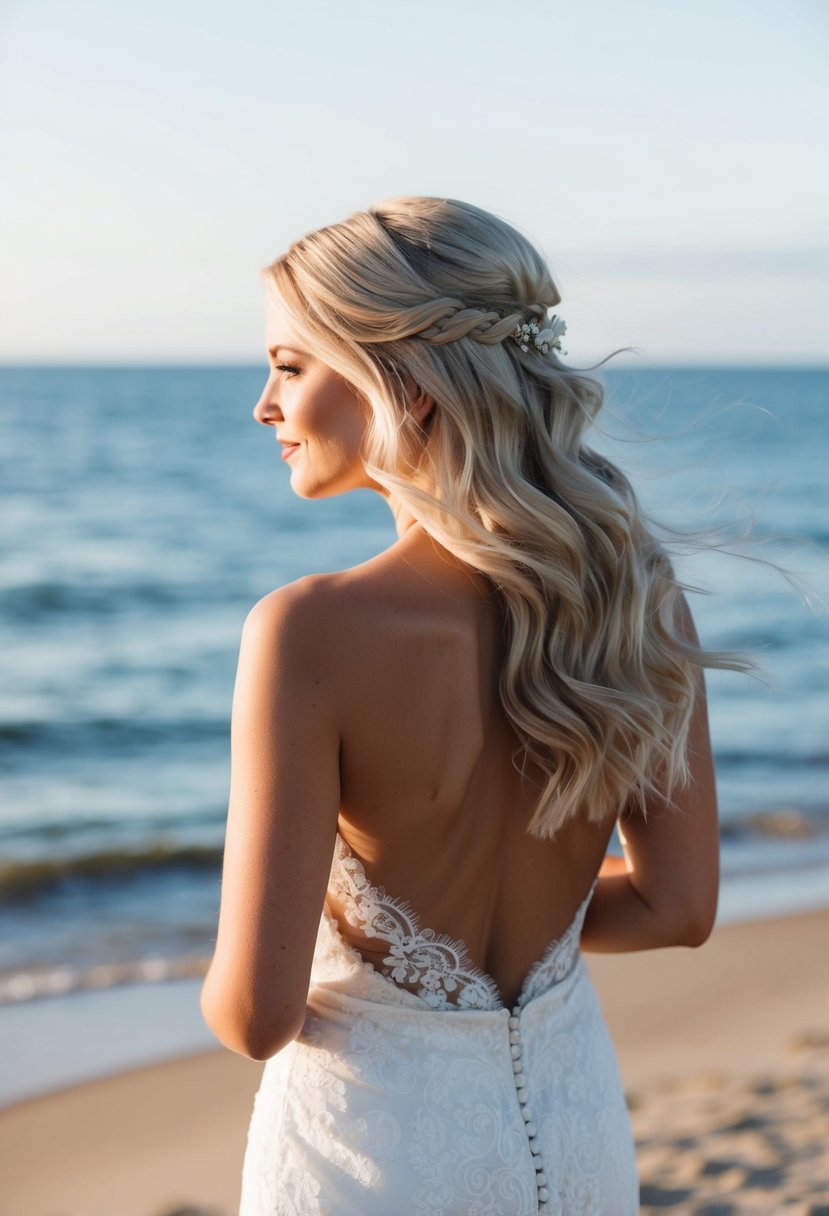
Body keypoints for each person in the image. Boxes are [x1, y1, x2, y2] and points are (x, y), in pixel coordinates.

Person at [200, 197, 729, 1215]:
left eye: (290, 365)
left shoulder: (309, 631)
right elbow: (679, 906)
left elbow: (254, 1016)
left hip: (375, 1151)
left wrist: (287, 938)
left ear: (404, 384)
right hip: (572, 1135)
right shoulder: (634, 593)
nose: (264, 405)